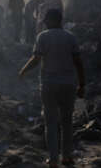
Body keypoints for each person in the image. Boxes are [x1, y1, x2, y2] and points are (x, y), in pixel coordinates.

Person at [19, 9, 85, 168]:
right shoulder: (70, 37)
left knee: (51, 122)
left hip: (49, 85)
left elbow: (36, 59)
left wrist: (23, 71)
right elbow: (78, 62)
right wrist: (82, 84)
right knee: (67, 122)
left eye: (46, 20)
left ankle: (53, 159)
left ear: (52, 20)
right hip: (69, 85)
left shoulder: (43, 37)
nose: (45, 23)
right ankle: (67, 157)